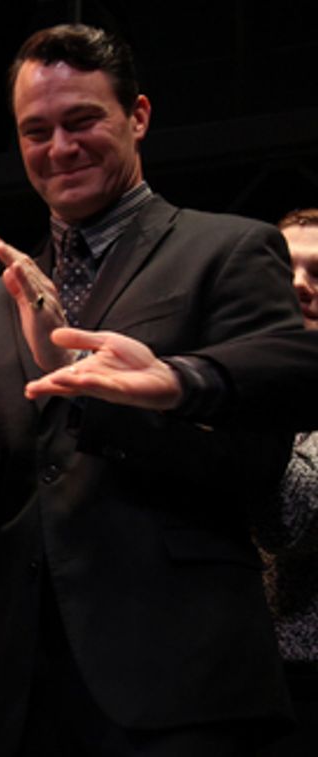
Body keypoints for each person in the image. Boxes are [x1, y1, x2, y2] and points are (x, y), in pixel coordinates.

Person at [0, 24, 300, 755]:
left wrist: (100, 395)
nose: (59, 148)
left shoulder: (226, 250)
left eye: (82, 121)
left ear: (138, 115)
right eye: (35, 131)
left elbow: (254, 462)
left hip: (180, 685)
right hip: (20, 697)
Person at [253, 209, 318, 756]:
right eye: (282, 272)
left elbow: (292, 520)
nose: (298, 286)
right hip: (231, 684)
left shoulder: (256, 394)